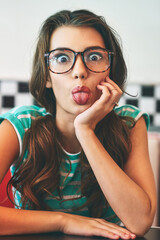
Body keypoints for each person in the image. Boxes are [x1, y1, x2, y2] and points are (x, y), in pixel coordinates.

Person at [0, 9, 156, 239]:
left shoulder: (130, 123)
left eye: (94, 57)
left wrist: (85, 130)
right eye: (62, 58)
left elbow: (140, 222)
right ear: (46, 76)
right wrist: (65, 222)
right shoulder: (20, 127)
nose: (80, 72)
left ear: (110, 69)